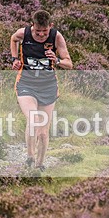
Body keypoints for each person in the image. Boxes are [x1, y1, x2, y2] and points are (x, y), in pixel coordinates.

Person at [10, 10, 72, 171]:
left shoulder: (56, 37)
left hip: (48, 87)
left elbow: (69, 64)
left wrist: (56, 60)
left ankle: (39, 165)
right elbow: (13, 39)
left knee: (43, 132)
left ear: (50, 26)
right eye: (38, 31)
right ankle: (30, 157)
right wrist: (15, 58)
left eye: (45, 31)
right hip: (26, 83)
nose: (41, 34)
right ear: (32, 26)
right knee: (33, 119)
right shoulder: (23, 33)